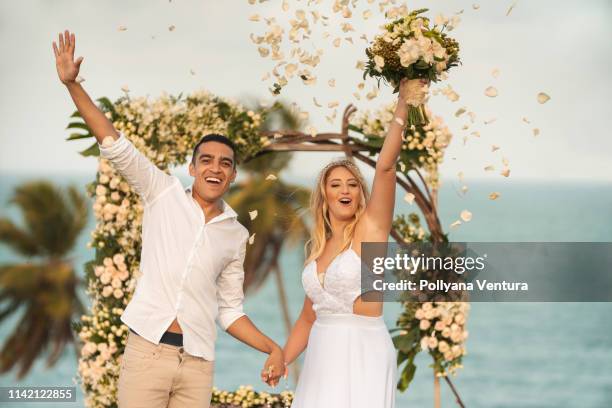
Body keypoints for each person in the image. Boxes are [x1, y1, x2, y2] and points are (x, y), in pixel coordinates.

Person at [52, 30, 284, 408]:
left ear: (233, 176)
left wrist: (272, 347)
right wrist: (72, 85)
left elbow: (230, 311)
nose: (215, 168)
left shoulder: (235, 235)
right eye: (206, 160)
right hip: (147, 356)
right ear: (191, 168)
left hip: (197, 365)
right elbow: (115, 144)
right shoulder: (162, 192)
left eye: (225, 163)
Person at [281, 78, 427, 407]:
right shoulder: (317, 250)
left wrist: (403, 103)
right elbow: (308, 317)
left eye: (352, 185)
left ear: (361, 194)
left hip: (363, 352)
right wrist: (283, 358)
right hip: (321, 359)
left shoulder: (370, 232)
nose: (345, 190)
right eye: (336, 185)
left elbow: (387, 167)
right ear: (325, 196)